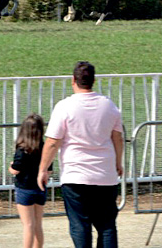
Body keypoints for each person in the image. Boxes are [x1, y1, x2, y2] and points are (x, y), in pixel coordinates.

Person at [37, 61, 124, 248]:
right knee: (107, 225)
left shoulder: (65, 106)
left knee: (80, 225)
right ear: (93, 80)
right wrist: (118, 162)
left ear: (73, 80)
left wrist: (43, 169)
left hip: (75, 174)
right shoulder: (109, 105)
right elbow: (118, 138)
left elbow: (53, 142)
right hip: (105, 174)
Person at [9, 113, 49, 248]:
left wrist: (10, 166)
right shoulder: (44, 147)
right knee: (38, 224)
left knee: (28, 225)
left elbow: (16, 169)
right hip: (40, 187)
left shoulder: (22, 149)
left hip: (24, 188)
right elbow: (48, 169)